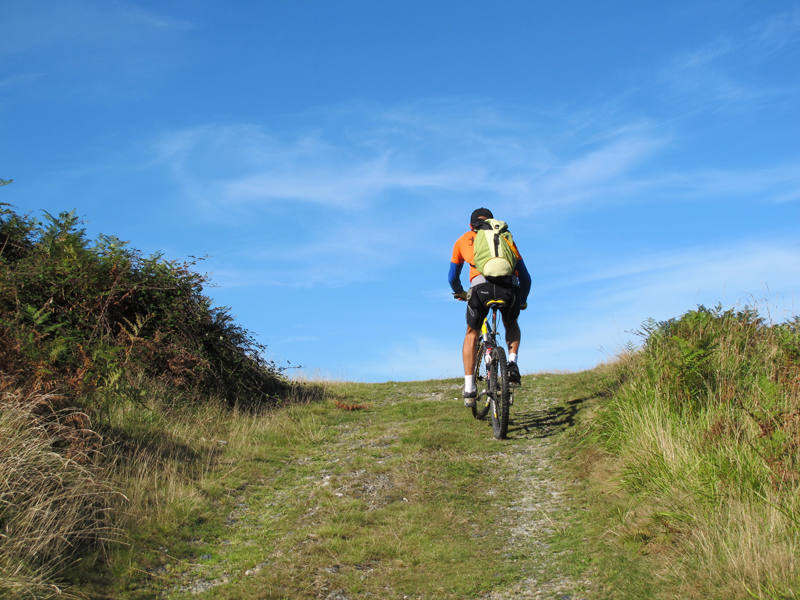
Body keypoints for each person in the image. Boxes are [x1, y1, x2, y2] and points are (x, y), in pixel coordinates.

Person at [448, 208, 531, 407]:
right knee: (511, 323)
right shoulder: (505, 238)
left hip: (480, 290)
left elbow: (452, 277)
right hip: (508, 289)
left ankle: (469, 388)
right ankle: (511, 363)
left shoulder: (463, 240)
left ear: (470, 225)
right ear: (493, 222)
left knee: (471, 333)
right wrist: (521, 300)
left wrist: (460, 292)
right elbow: (525, 277)